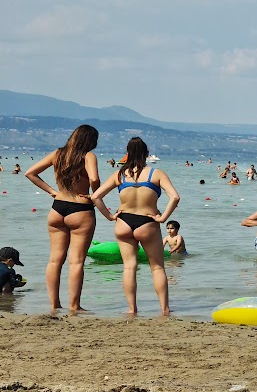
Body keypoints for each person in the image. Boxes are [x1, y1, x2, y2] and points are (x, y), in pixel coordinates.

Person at [25, 124, 113, 314]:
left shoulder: (58, 154)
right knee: (76, 261)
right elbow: (95, 178)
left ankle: (54, 305)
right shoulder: (88, 156)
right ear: (91, 141)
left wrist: (52, 192)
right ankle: (74, 306)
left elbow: (30, 173)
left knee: (55, 261)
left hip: (57, 208)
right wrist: (93, 193)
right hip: (80, 209)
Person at [90, 137, 180, 316]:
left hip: (123, 221)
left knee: (129, 267)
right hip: (147, 222)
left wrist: (109, 216)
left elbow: (95, 197)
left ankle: (132, 309)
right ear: (146, 154)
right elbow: (175, 197)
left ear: (128, 154)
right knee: (157, 268)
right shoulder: (156, 174)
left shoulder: (119, 175)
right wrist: (162, 218)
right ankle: (164, 309)